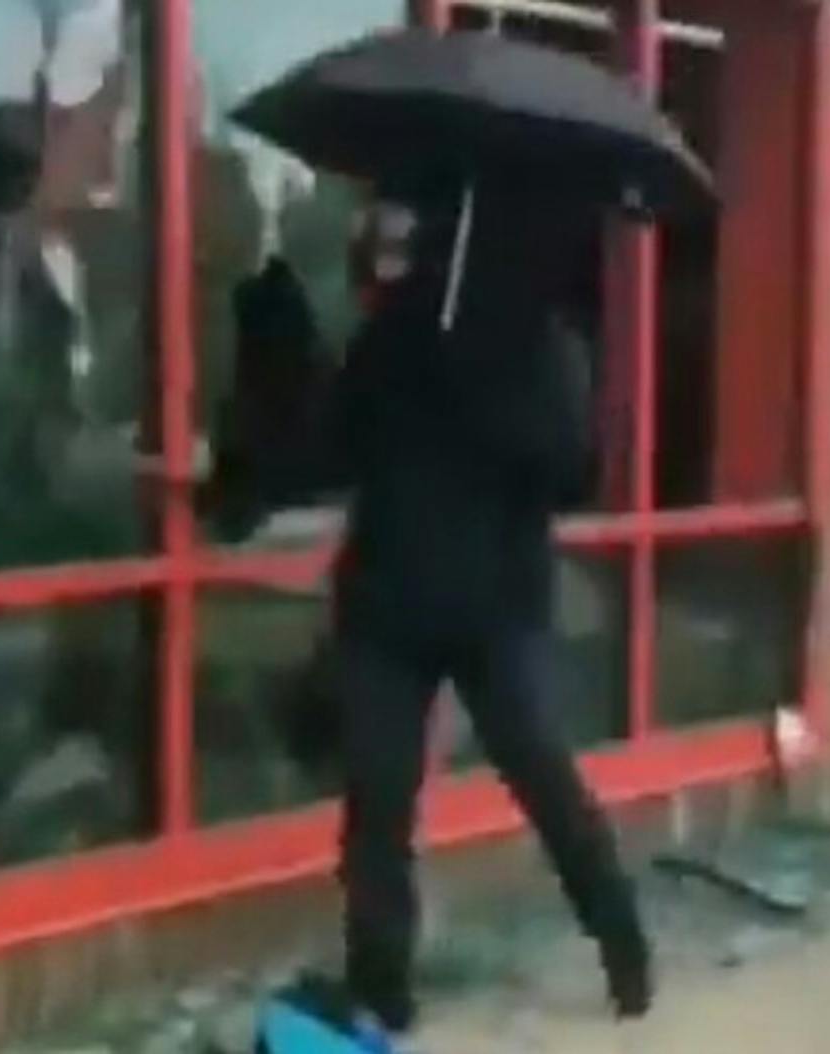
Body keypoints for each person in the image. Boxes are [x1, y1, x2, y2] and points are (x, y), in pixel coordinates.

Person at [324, 185, 649, 1034]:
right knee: (378, 800)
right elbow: (336, 440)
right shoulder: (389, 339)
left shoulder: (542, 343)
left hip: (496, 608)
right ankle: (379, 991)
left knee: (541, 769)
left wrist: (494, 394)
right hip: (388, 604)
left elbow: (575, 471)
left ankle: (622, 941)